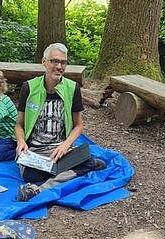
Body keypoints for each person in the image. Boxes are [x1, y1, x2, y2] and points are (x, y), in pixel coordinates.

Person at [14, 42, 106, 202]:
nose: (59, 66)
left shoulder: (72, 88)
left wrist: (65, 145)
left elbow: (79, 125)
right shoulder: (28, 87)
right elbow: (19, 125)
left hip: (60, 149)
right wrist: (20, 141)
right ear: (44, 62)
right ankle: (77, 168)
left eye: (63, 62)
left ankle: (39, 190)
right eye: (54, 61)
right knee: (30, 174)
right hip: (35, 149)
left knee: (85, 158)